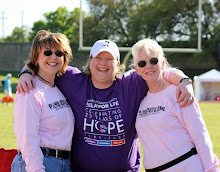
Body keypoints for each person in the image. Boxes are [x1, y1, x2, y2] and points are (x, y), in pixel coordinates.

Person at [17, 39, 194, 172]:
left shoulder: (132, 84)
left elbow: (161, 70)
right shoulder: (73, 80)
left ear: (117, 64)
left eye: (109, 59)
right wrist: (26, 71)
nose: (103, 63)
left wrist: (184, 80)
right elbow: (47, 65)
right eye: (98, 58)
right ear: (90, 60)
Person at [133, 39, 219, 171]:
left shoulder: (179, 92)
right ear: (137, 69)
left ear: (162, 64)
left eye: (153, 61)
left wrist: (212, 169)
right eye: (142, 63)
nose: (148, 66)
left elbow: (200, 135)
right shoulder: (140, 99)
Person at [11, 30, 75, 172]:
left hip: (63, 164)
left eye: (59, 53)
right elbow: (27, 137)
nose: (53, 57)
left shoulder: (58, 87)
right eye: (47, 53)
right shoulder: (29, 89)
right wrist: (36, 169)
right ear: (36, 57)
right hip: (39, 164)